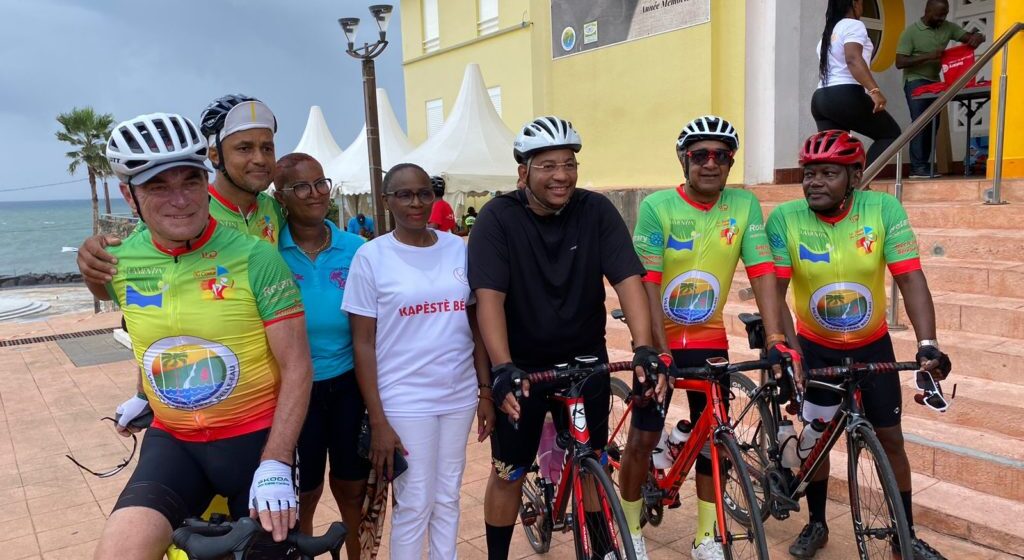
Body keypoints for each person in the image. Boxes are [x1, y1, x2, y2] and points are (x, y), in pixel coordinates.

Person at [94, 113, 311, 560]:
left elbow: (297, 367)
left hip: (257, 440)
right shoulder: (119, 262)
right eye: (158, 187)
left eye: (191, 182)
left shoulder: (256, 258)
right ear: (129, 196)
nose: (180, 200)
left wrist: (276, 460)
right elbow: (155, 334)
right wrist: (141, 394)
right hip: (173, 442)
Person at [469, 116, 664, 560]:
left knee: (591, 461)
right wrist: (501, 368)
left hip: (584, 361)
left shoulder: (594, 210)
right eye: (547, 165)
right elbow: (488, 300)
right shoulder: (497, 219)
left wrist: (643, 347)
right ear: (523, 172)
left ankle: (601, 550)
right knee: (509, 471)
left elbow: (629, 280)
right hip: (524, 368)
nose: (561, 175)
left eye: (569, 163)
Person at [767, 130, 953, 560]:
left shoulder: (883, 208)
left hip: (872, 346)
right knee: (816, 442)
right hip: (815, 346)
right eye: (808, 173)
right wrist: (788, 349)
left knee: (891, 439)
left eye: (828, 173)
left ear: (855, 175)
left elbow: (909, 276)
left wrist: (928, 343)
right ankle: (816, 524)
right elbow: (774, 293)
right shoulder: (785, 219)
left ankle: (905, 535)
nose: (813, 182)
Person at [622, 115, 800, 560]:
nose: (710, 163)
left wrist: (776, 336)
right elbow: (648, 281)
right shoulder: (658, 206)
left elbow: (762, 272)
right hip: (658, 333)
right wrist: (656, 348)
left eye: (721, 156)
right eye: (700, 155)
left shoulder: (743, 206)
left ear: (731, 163)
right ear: (684, 160)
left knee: (713, 436)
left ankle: (706, 536)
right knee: (643, 437)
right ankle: (630, 532)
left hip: (708, 337)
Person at [342, 163, 495, 559]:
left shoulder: (456, 247)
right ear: (387, 199)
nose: (416, 202)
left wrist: (484, 390)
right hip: (404, 399)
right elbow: (362, 343)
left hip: (458, 393)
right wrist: (377, 418)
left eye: (424, 193)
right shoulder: (371, 257)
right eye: (405, 194)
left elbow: (475, 325)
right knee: (414, 502)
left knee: (447, 495)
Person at [76, 93, 283, 291]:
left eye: (267, 148)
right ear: (214, 155)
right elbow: (125, 268)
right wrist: (92, 260)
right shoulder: (185, 212)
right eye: (244, 148)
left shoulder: (276, 207)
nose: (260, 159)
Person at [273, 153, 367, 560]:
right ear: (280, 198)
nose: (315, 194)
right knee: (304, 492)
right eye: (301, 187)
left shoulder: (357, 249)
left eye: (320, 183)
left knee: (352, 488)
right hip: (295, 390)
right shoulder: (268, 252)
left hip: (349, 385)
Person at [896, 0, 985, 178]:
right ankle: (917, 168)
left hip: (935, 81)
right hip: (915, 81)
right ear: (927, 10)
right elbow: (900, 62)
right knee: (920, 123)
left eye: (945, 14)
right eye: (938, 15)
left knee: (933, 124)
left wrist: (978, 37)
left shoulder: (947, 26)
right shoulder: (911, 33)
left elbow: (969, 37)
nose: (941, 18)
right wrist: (929, 56)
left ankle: (924, 166)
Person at [811, 0, 901, 167]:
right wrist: (874, 90)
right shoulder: (854, 25)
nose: (863, 7)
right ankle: (860, 182)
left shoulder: (830, 32)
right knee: (891, 135)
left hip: (821, 99)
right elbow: (853, 59)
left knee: (835, 154)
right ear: (853, 3)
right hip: (845, 94)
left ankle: (839, 190)